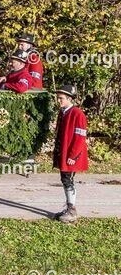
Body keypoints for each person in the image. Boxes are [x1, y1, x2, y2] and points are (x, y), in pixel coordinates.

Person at [52, 84, 88, 223]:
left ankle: (72, 210)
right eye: (58, 98)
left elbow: (80, 138)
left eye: (61, 98)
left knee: (68, 180)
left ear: (69, 98)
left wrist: (73, 156)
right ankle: (68, 207)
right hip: (64, 154)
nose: (59, 101)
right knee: (65, 179)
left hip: (72, 156)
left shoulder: (77, 114)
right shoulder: (63, 112)